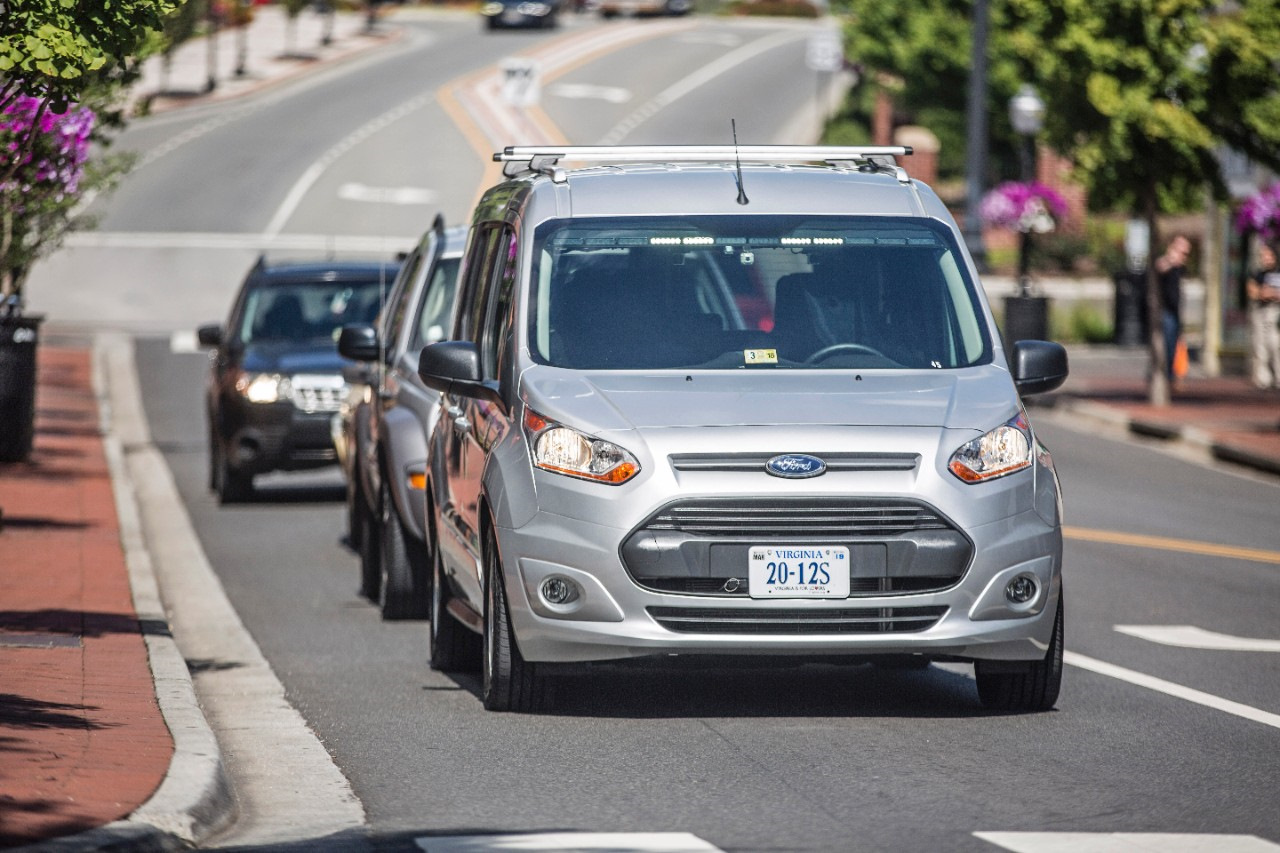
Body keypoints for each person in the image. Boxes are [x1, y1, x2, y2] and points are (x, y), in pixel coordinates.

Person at [1154, 234, 1191, 386]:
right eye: (1182, 251)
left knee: (1173, 346)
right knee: (1166, 347)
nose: (1184, 256)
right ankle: (1166, 376)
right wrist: (1171, 259)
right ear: (1172, 248)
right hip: (1165, 312)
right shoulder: (1165, 263)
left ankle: (1170, 376)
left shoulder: (1179, 269)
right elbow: (1158, 267)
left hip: (1174, 312)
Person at [1246, 242, 1280, 390]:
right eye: (1263, 256)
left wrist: (1270, 293)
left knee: (1276, 345)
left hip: (1276, 313)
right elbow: (1252, 291)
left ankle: (1278, 377)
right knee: (1260, 346)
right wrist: (1264, 293)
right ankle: (1263, 380)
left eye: (1268, 255)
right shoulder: (1257, 273)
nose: (1265, 258)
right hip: (1261, 312)